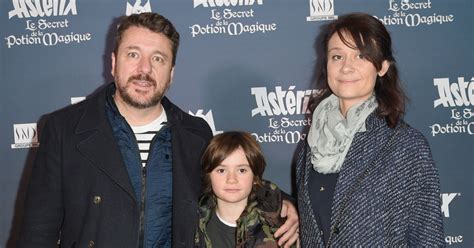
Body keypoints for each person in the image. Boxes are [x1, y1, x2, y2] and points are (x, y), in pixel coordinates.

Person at [18, 13, 298, 248]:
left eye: (158, 59)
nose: (144, 69)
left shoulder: (195, 133)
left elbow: (232, 180)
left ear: (171, 73)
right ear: (114, 63)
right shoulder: (64, 129)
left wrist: (283, 203)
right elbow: (37, 231)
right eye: (133, 55)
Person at [296, 13, 445, 247]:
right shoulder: (311, 144)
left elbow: (428, 237)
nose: (346, 67)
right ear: (326, 64)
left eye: (361, 56)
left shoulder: (406, 146)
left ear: (382, 67)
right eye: (337, 56)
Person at [195, 132, 297, 248]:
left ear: (255, 177)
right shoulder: (191, 223)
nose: (231, 180)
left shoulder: (282, 227)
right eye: (221, 170)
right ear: (209, 176)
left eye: (242, 170)